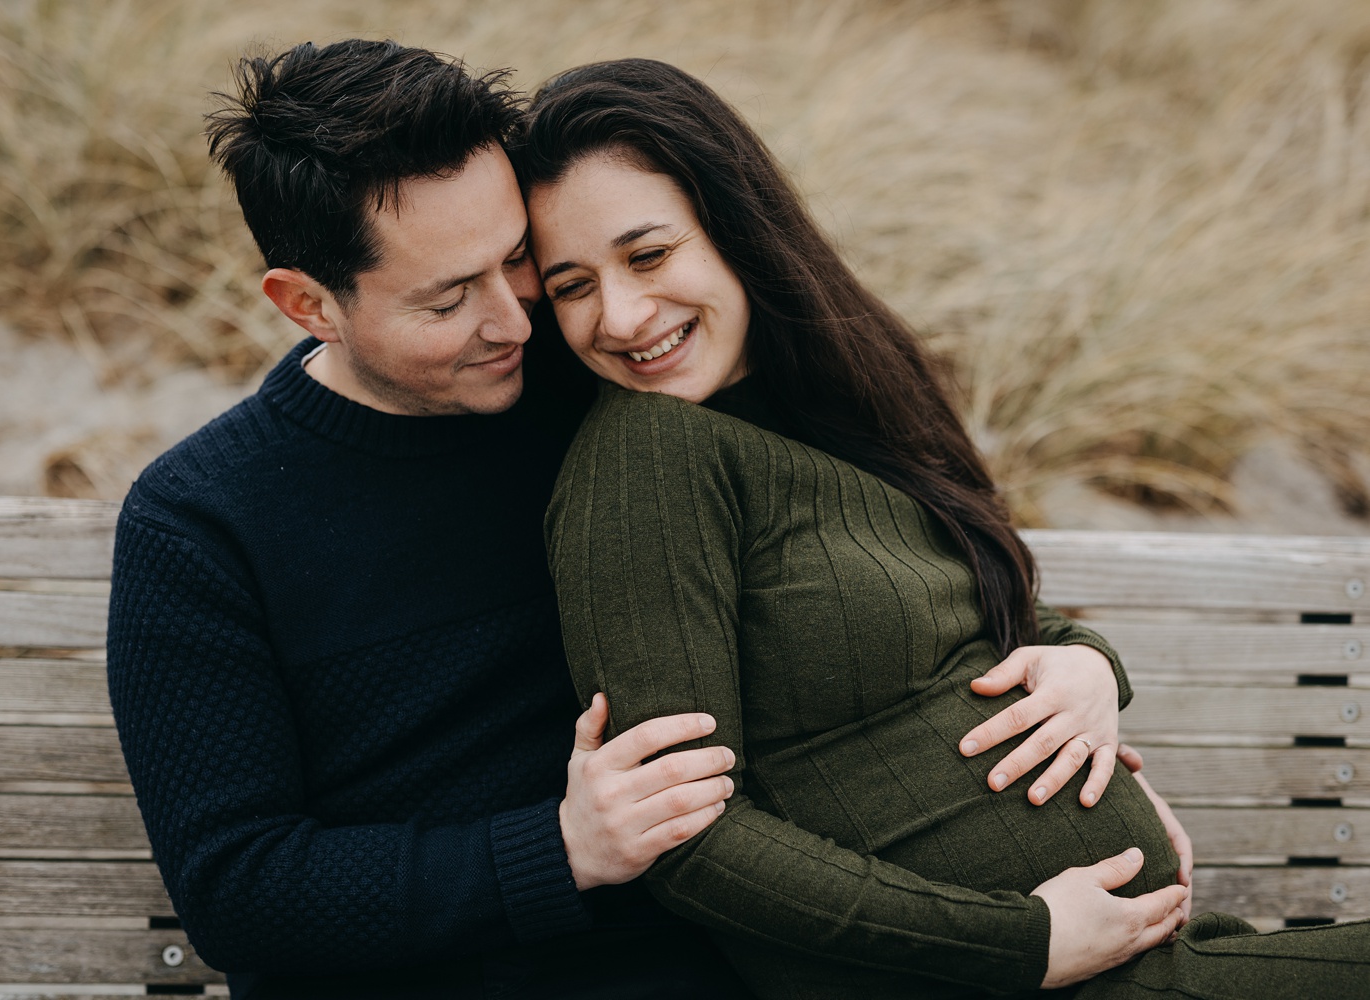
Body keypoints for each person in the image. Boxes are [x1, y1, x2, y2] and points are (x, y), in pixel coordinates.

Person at [108, 38, 1150, 1000]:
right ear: (305, 303)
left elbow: (869, 559)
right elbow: (239, 888)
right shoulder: (199, 524)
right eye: (447, 298)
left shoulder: (602, 384)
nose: (514, 320)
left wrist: (1078, 662)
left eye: (518, 259)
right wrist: (556, 848)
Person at [522, 58, 1370, 999]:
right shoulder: (645, 458)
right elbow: (687, 842)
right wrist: (1021, 942)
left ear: (736, 229)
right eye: (571, 286)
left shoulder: (830, 405)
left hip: (1148, 958)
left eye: (647, 256)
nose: (622, 316)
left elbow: (972, 605)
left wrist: (1088, 665)